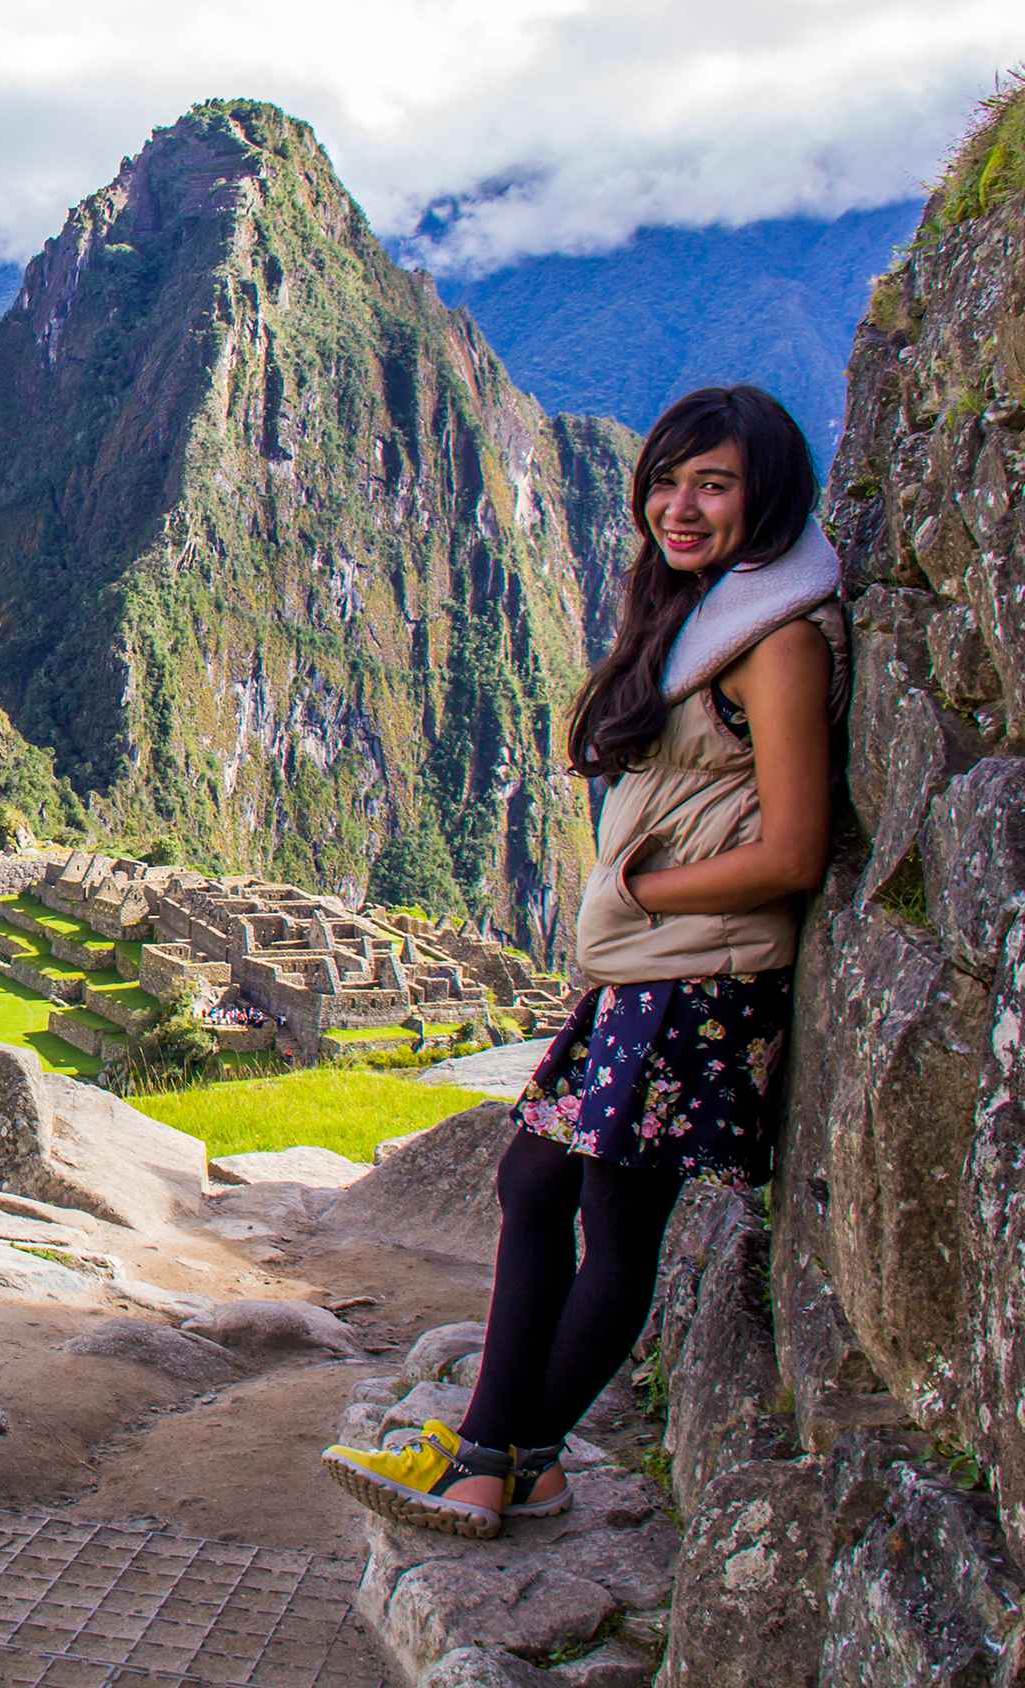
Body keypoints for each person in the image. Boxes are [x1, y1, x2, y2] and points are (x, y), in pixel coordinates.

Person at [322, 384, 847, 1540]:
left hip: (700, 978)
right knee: (533, 1183)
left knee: (614, 1221)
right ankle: (513, 1456)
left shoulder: (779, 643)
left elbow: (795, 849)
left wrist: (640, 893)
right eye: (667, 482)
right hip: (647, 973)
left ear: (766, 495)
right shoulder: (705, 615)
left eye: (714, 485)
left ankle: (493, 1466)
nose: (680, 507)